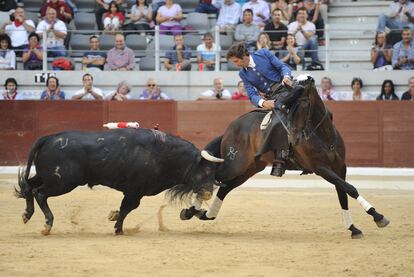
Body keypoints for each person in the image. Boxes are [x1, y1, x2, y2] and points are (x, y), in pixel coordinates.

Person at [226, 42, 296, 177]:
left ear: (243, 56)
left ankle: (281, 159)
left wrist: (286, 76)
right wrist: (263, 103)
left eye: (236, 61)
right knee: (275, 121)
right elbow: (252, 95)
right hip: (272, 99)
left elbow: (283, 66)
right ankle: (280, 158)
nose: (236, 64)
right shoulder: (243, 74)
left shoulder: (263, 53)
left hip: (285, 88)